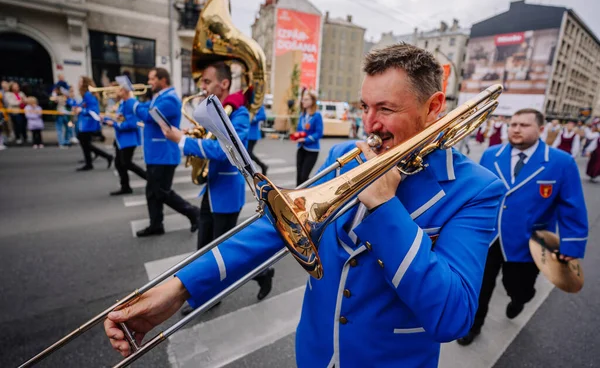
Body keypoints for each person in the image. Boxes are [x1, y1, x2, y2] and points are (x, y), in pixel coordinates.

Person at [104, 44, 506, 367]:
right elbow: (278, 225)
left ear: (433, 108)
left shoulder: (477, 189)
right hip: (315, 353)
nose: (369, 125)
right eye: (364, 107)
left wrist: (385, 207)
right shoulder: (351, 152)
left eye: (385, 109)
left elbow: (452, 315)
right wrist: (179, 288)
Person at [458, 108, 588, 346]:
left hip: (528, 242)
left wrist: (572, 244)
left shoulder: (561, 162)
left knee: (519, 287)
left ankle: (519, 299)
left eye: (523, 125)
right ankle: (473, 326)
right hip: (488, 237)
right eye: (513, 124)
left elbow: (572, 207)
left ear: (540, 129)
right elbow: (476, 193)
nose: (516, 129)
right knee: (480, 287)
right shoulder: (491, 154)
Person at [161, 62, 274, 311]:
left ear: (223, 83)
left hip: (227, 194)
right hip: (211, 190)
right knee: (204, 250)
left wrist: (183, 141)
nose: (202, 86)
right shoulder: (216, 110)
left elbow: (225, 151)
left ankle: (261, 273)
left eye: (206, 81)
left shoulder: (240, 115)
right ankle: (208, 294)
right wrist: (191, 134)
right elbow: (209, 140)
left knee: (224, 254)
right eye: (201, 82)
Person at [132, 67, 200, 237]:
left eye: (152, 79)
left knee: (161, 192)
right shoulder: (159, 97)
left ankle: (192, 212)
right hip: (156, 153)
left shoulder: (169, 100)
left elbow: (148, 116)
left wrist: (130, 101)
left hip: (164, 154)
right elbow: (146, 109)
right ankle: (156, 224)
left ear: (163, 80)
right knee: (152, 192)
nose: (149, 82)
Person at [104, 81, 146, 196]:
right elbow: (121, 118)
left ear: (127, 91)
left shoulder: (131, 103)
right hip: (120, 139)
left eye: (121, 89)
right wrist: (109, 120)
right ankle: (125, 186)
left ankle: (150, 179)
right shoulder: (123, 103)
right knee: (119, 163)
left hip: (128, 139)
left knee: (127, 163)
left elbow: (132, 124)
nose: (118, 91)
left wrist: (115, 124)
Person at [73, 77, 113, 171]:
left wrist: (81, 110)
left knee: (85, 143)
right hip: (86, 123)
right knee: (85, 144)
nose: (78, 84)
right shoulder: (86, 95)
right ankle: (93, 161)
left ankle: (95, 160)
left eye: (80, 82)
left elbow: (93, 110)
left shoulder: (88, 94)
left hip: (87, 124)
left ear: (85, 83)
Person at [293, 89, 323, 186]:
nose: (303, 101)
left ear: (312, 101)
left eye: (306, 99)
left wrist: (305, 139)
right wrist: (297, 135)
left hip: (312, 150)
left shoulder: (317, 115)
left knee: (304, 176)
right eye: (303, 99)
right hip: (301, 148)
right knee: (298, 176)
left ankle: (312, 191)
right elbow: (299, 129)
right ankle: (295, 198)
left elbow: (319, 133)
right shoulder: (302, 114)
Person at [247, 104, 269, 175]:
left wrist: (253, 118)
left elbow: (263, 116)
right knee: (246, 153)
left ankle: (262, 165)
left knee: (248, 153)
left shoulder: (258, 104)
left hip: (253, 134)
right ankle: (260, 166)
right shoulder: (247, 103)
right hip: (246, 133)